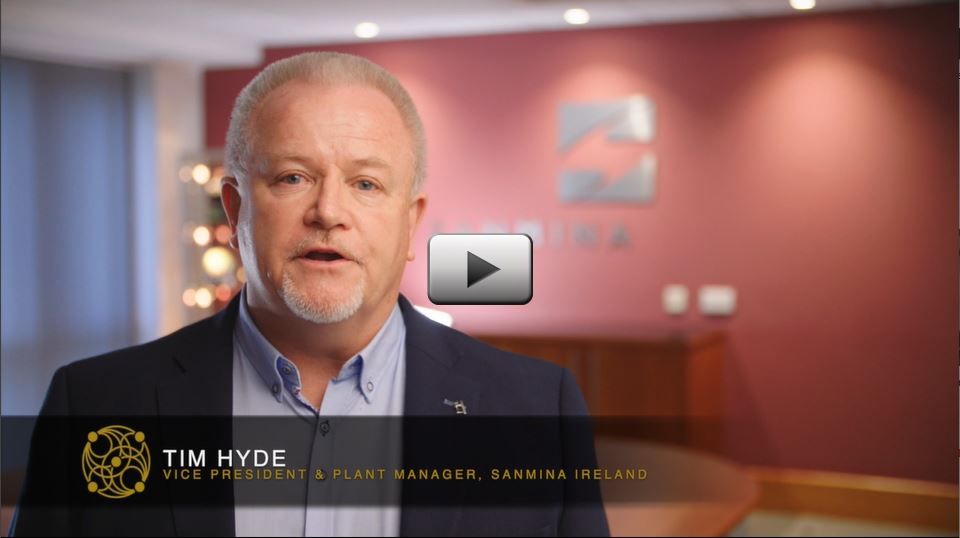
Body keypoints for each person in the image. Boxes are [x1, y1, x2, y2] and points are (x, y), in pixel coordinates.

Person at [11, 51, 609, 537]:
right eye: (293, 177)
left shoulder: (538, 409)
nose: (328, 212)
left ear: (410, 223)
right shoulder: (94, 405)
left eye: (366, 183)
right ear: (235, 210)